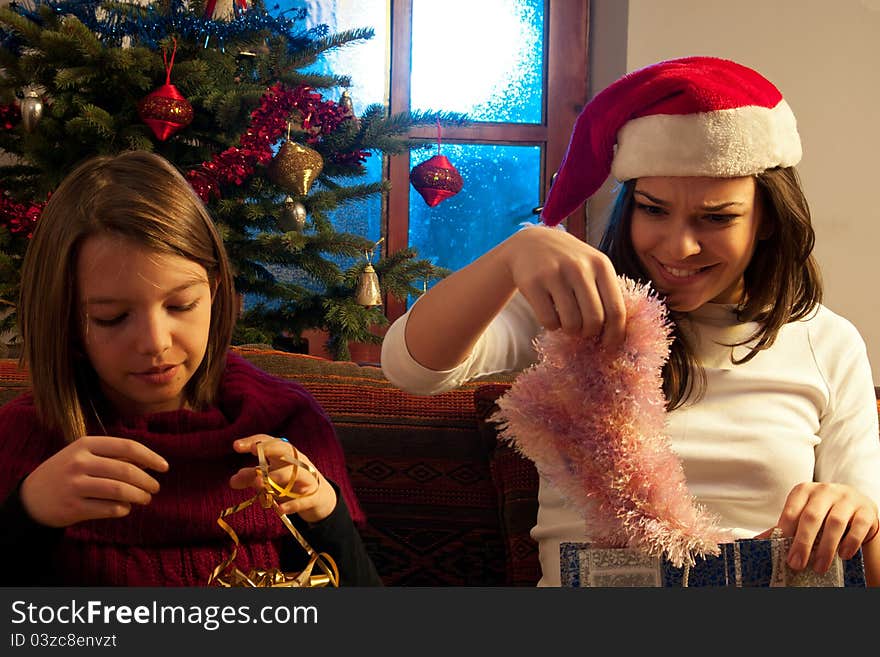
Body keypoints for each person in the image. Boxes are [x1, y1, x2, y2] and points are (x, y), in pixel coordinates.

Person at [381, 56, 880, 586]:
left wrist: (855, 518)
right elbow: (411, 368)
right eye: (654, 209)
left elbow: (869, 563)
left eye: (716, 218)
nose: (679, 247)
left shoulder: (827, 341)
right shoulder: (576, 309)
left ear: (766, 221)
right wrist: (511, 256)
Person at [0, 150, 381, 587]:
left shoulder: (289, 424)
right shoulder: (25, 437)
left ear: (214, 291)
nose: (155, 343)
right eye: (111, 317)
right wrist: (26, 514)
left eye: (181, 305)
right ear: (64, 316)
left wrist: (325, 512)